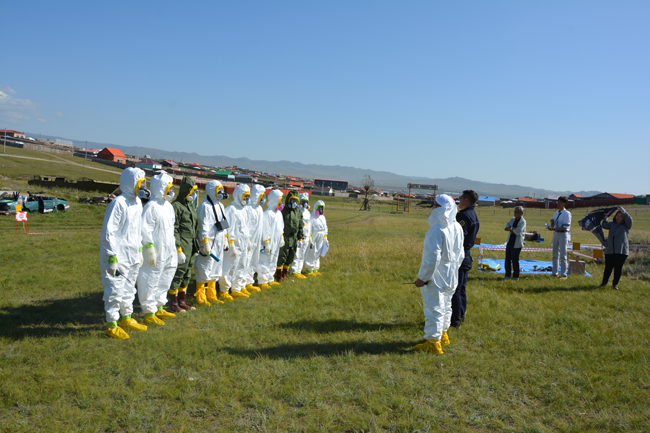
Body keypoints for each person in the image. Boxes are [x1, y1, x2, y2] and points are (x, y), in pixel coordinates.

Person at [100, 167, 149, 340]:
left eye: (144, 182)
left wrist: (140, 250)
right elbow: (108, 232)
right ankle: (112, 325)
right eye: (141, 182)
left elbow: (136, 230)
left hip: (133, 255)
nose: (144, 185)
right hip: (118, 256)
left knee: (129, 288)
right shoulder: (118, 203)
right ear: (132, 182)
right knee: (114, 289)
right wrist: (111, 256)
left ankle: (127, 318)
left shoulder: (137, 202)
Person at [413, 194, 465, 354]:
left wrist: (423, 277)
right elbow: (461, 253)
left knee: (434, 307)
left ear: (439, 208)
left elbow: (432, 257)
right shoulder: (457, 227)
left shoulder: (436, 229)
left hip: (436, 274)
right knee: (446, 305)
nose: (432, 207)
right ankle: (443, 335)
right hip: (451, 273)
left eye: (434, 205)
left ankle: (433, 343)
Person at [136, 172, 179, 325]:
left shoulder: (168, 206)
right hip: (155, 252)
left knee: (165, 277)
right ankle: (149, 312)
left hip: (168, 251)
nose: (171, 191)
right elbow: (144, 229)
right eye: (169, 188)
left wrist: (175, 250)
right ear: (161, 188)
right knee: (150, 278)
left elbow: (170, 229)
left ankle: (159, 306)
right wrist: (150, 249)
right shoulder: (151, 207)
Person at [194, 180, 228, 306]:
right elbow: (203, 226)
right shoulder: (205, 207)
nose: (221, 192)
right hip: (209, 242)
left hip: (219, 241)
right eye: (218, 190)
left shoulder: (220, 206)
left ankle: (212, 294)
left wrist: (225, 238)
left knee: (215, 268)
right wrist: (205, 242)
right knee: (204, 267)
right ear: (211, 190)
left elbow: (224, 223)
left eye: (221, 189)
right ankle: (200, 295)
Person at [168, 176, 199, 311]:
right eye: (192, 191)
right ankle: (173, 304)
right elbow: (174, 228)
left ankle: (182, 301)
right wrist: (178, 249)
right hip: (182, 245)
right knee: (178, 273)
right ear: (186, 191)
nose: (194, 194)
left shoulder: (190, 205)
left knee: (187, 273)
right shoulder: (176, 206)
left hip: (191, 245)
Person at [450, 190, 479, 329]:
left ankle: (454, 321)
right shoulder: (473, 214)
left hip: (460, 255)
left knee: (456, 288)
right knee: (461, 288)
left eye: (461, 198)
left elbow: (459, 238)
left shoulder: (463, 216)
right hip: (466, 255)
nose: (459, 200)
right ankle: (461, 315)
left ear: (466, 200)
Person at [219, 184, 252, 300]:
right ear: (238, 195)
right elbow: (228, 227)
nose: (247, 198)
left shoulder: (244, 209)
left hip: (242, 245)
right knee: (229, 267)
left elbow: (245, 227)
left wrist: (248, 240)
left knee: (241, 266)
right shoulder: (231, 209)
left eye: (248, 196)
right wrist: (230, 243)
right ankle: (224, 290)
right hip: (234, 245)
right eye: (245, 196)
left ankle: (236, 288)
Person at [599, 207, 633, 290]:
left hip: (621, 251)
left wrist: (624, 211)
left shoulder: (626, 226)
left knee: (618, 268)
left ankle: (615, 285)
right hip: (610, 250)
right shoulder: (611, 224)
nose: (618, 218)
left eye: (621, 217)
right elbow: (604, 225)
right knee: (608, 268)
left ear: (624, 218)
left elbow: (630, 220)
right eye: (617, 216)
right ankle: (604, 283)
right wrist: (605, 217)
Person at [257, 190, 285, 289]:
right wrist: (266, 242)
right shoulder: (267, 214)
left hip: (276, 241)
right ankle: (262, 281)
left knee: (273, 259)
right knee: (265, 259)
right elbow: (265, 229)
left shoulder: (279, 213)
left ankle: (269, 278)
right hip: (268, 241)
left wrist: (281, 237)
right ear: (274, 200)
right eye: (280, 201)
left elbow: (281, 226)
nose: (281, 203)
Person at [243, 184, 268, 291]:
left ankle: (249, 282)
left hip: (257, 241)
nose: (263, 199)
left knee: (254, 261)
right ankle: (241, 284)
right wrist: (247, 239)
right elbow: (245, 226)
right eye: (262, 196)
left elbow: (261, 226)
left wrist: (264, 239)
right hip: (248, 241)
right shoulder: (248, 209)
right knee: (245, 262)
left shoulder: (260, 209)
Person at [276, 190, 304, 282]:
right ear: (288, 200)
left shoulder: (299, 213)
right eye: (292, 200)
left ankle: (285, 275)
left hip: (294, 238)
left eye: (296, 201)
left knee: (290, 257)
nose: (294, 203)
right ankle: (279, 277)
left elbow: (300, 226)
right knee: (282, 256)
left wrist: (300, 238)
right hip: (285, 237)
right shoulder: (283, 211)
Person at [548, 196, 572, 279]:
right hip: (556, 234)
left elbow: (565, 226)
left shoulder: (567, 214)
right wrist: (552, 224)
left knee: (563, 255)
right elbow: (554, 226)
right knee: (555, 254)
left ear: (564, 204)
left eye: (560, 203)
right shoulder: (555, 213)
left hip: (563, 234)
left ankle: (564, 274)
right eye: (557, 202)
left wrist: (555, 228)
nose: (558, 204)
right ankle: (555, 272)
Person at [289, 193, 312, 279]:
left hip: (306, 235)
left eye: (306, 202)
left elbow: (309, 224)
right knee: (296, 253)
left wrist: (310, 236)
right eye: (303, 202)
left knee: (302, 254)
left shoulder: (307, 212)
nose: (305, 204)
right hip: (298, 235)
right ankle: (293, 271)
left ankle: (299, 270)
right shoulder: (296, 211)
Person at [304, 200, 328, 276]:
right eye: (319, 208)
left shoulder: (323, 218)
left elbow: (325, 227)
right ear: (315, 208)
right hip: (313, 235)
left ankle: (315, 268)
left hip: (321, 235)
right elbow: (309, 228)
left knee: (318, 251)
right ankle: (309, 268)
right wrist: (310, 239)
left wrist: (325, 237)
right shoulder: (311, 217)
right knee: (311, 252)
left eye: (322, 208)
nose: (320, 210)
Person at [504, 206, 526, 281]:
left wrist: (511, 229)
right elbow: (506, 227)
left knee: (515, 260)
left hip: (517, 244)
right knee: (507, 259)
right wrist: (511, 229)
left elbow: (517, 232)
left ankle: (516, 276)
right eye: (514, 211)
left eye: (516, 212)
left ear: (521, 213)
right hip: (510, 242)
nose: (515, 213)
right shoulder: (512, 219)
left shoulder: (523, 222)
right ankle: (507, 275)